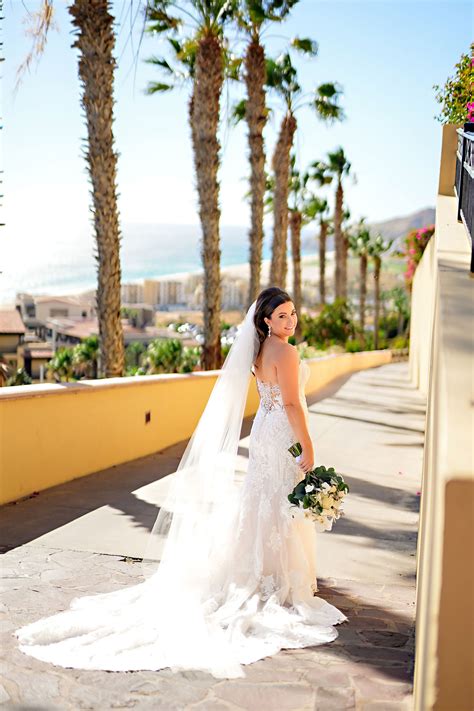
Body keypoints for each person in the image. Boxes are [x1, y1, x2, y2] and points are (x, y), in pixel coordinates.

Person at [14, 286, 348, 679]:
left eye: (292, 313)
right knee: (278, 500)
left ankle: (260, 572)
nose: (290, 321)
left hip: (262, 432)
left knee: (263, 499)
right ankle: (277, 578)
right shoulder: (286, 351)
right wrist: (307, 443)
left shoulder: (258, 351)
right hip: (283, 432)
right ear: (265, 321)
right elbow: (291, 403)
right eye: (281, 316)